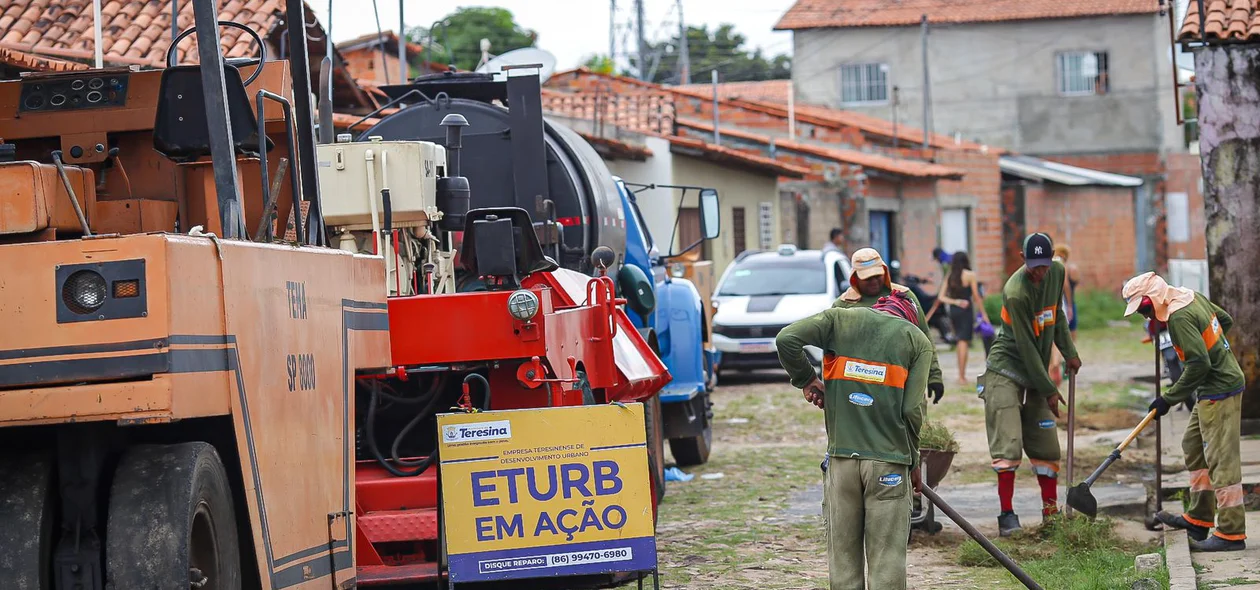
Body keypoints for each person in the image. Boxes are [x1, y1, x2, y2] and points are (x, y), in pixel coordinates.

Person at [776, 291, 933, 590]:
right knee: (886, 562)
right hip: (889, 464)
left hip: (841, 465)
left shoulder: (839, 319)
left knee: (843, 564)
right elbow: (912, 410)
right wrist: (913, 461)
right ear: (909, 319)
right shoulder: (917, 341)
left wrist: (806, 378)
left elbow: (786, 339)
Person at [1123, 272, 1247, 552]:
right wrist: (1216, 353)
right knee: (1193, 445)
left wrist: (1169, 398)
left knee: (1221, 458)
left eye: (1144, 309)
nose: (1145, 317)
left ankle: (1230, 532)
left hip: (1220, 390)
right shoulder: (1190, 295)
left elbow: (1199, 364)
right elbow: (1223, 320)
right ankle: (1199, 518)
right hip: (1210, 389)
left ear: (1153, 298)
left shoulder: (1179, 317)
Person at [980, 232, 1081, 536]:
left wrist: (1070, 354)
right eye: (1034, 266)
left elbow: (1058, 318)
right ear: (1023, 260)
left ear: (1052, 261)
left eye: (1044, 265)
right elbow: (1025, 348)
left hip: (1037, 368)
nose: (1040, 272)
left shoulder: (1057, 274)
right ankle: (1007, 516)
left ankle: (1051, 515)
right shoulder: (1015, 291)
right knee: (1008, 444)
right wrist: (1050, 390)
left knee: (1046, 445)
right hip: (1007, 368)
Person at [832, 248, 944, 404]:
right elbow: (832, 351)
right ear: (854, 278)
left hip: (903, 381)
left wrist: (934, 375)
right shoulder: (843, 305)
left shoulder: (903, 297)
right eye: (867, 278)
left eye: (878, 276)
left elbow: (924, 336)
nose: (874, 281)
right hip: (861, 386)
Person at [925, 251, 990, 385]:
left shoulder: (950, 276)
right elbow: (976, 296)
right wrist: (984, 314)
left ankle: (961, 374)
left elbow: (941, 297)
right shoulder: (970, 275)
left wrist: (955, 302)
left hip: (954, 311)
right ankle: (962, 376)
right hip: (965, 310)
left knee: (960, 340)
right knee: (963, 341)